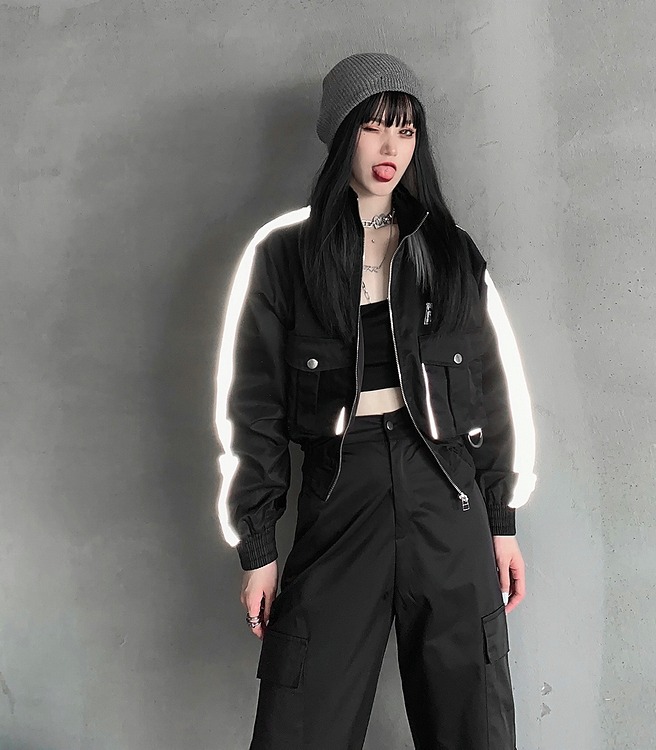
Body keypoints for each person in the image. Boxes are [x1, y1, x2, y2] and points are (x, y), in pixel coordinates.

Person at [214, 52, 537, 750]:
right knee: (301, 721)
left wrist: (501, 520)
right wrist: (259, 547)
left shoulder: (450, 252)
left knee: (473, 722)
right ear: (342, 134)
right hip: (341, 491)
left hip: (446, 492)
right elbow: (254, 410)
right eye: (373, 127)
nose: (392, 147)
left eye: (406, 130)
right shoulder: (285, 256)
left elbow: (490, 390)